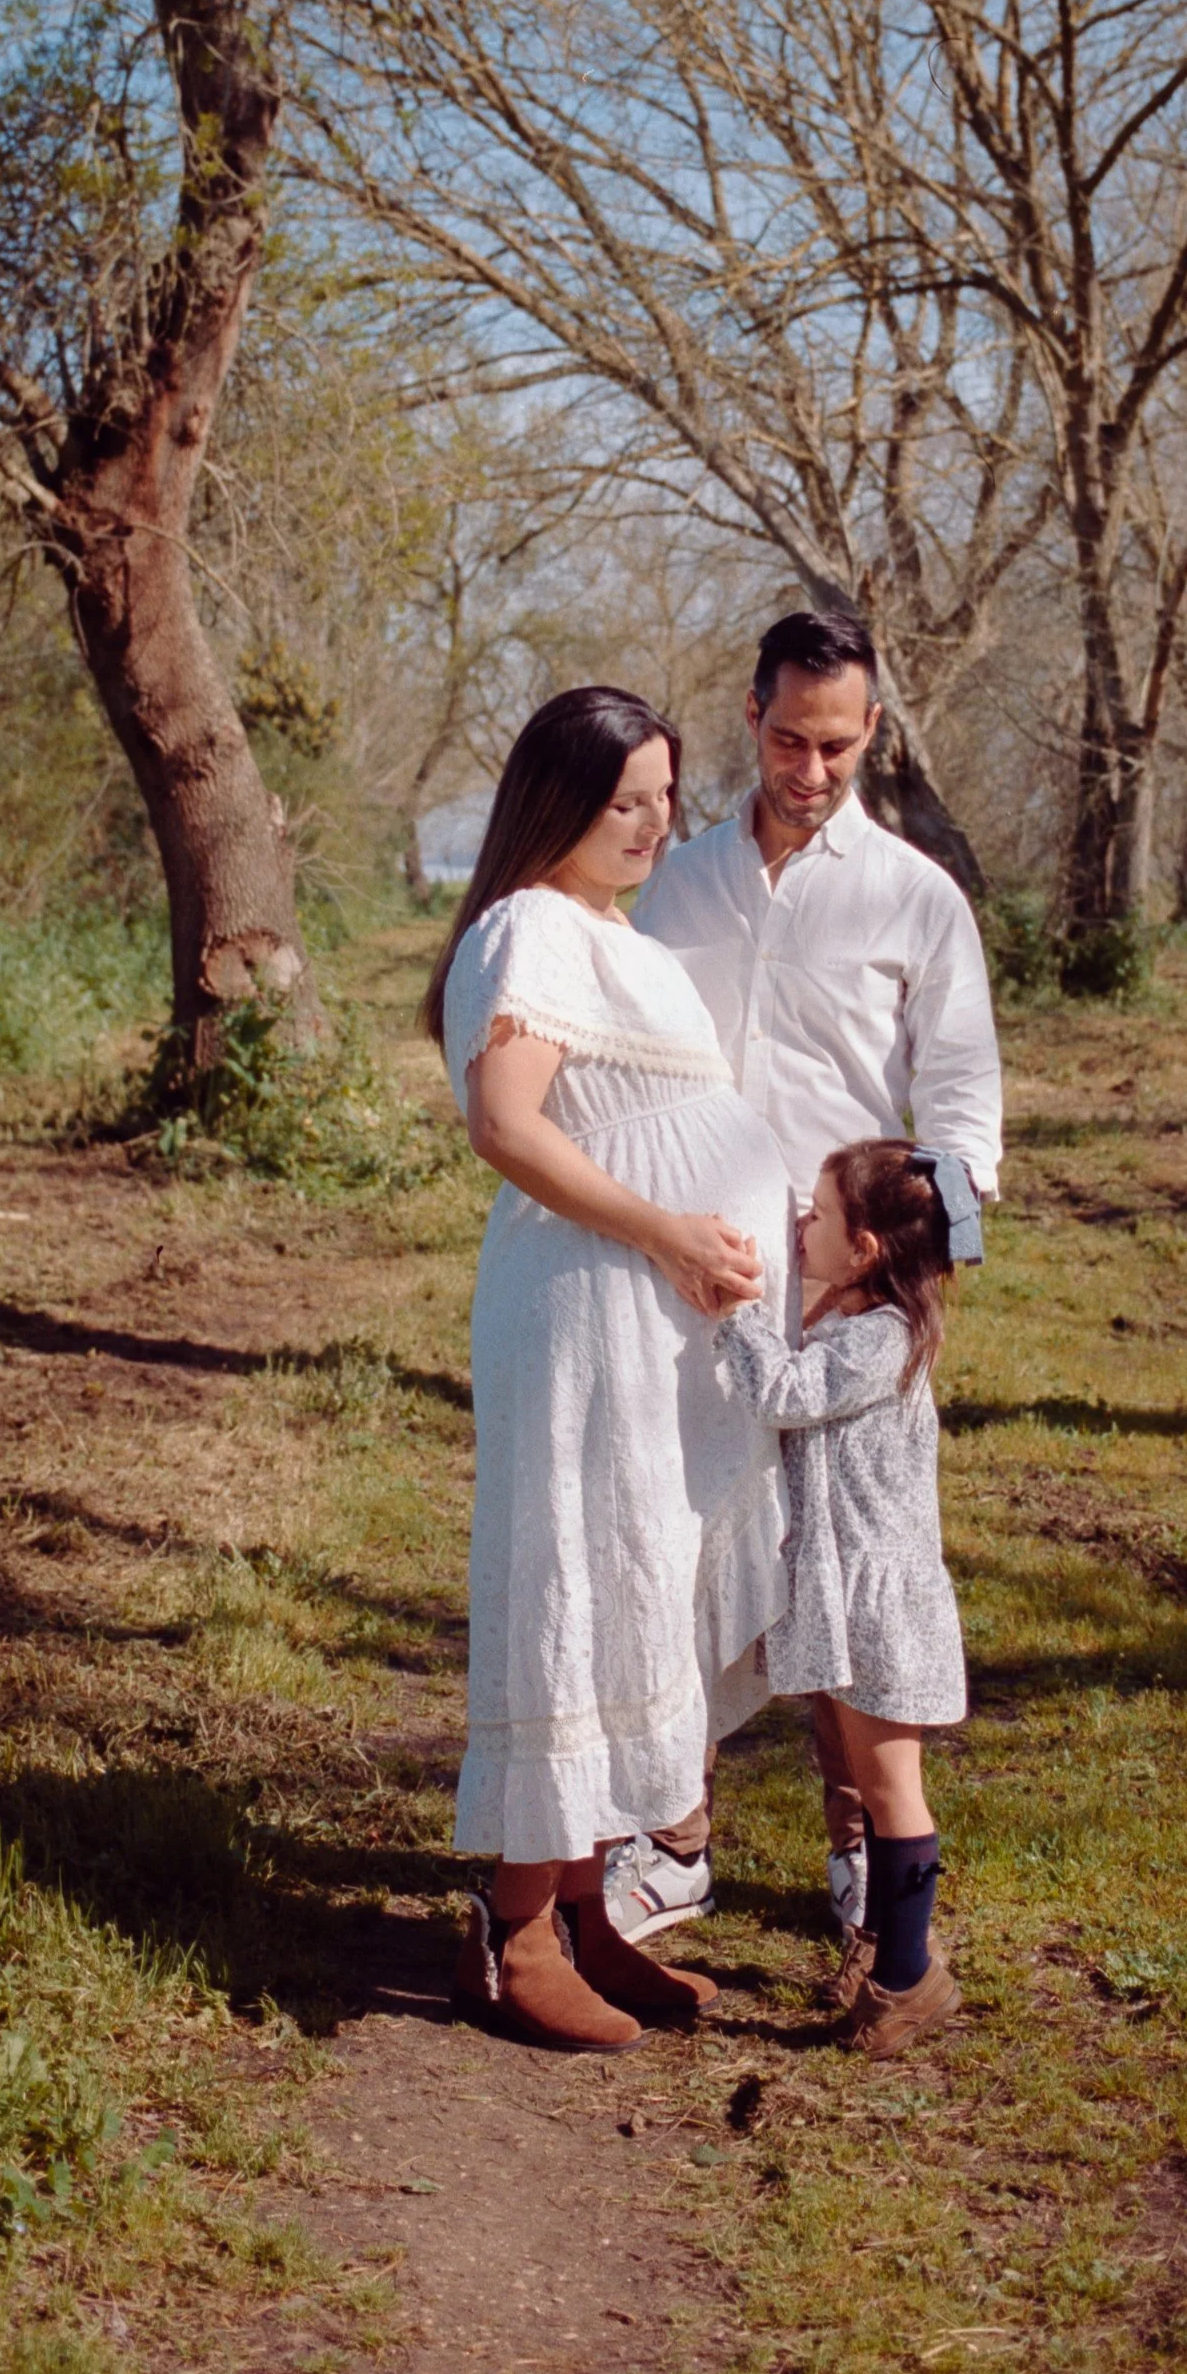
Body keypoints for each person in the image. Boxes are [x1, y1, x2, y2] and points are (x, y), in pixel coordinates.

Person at [613, 606, 1001, 1950]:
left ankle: (856, 1844)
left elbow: (960, 1102)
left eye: (839, 745)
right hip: (698, 1264)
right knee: (685, 1539)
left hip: (844, 1282)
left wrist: (909, 1288)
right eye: (790, 738)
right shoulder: (677, 881)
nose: (813, 769)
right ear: (749, 713)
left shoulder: (912, 897)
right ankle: (675, 1839)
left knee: (847, 1565)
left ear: (871, 731)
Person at [427, 684, 794, 2056]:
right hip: (583, 1307)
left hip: (649, 1321)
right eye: (621, 798)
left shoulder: (606, 928)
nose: (649, 825)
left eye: (662, 799)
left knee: (633, 1581)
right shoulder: (527, 925)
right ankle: (514, 1928)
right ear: (555, 798)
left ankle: (588, 1912)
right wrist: (666, 1233)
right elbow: (505, 1125)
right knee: (573, 1586)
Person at [717, 1138, 974, 2058]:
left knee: (894, 1792)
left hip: (880, 1599)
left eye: (819, 1215)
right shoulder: (860, 1322)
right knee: (876, 1785)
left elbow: (783, 1395)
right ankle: (893, 1961)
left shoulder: (879, 1339)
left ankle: (910, 1979)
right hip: (853, 1586)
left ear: (863, 1249)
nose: (799, 1226)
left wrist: (737, 1308)